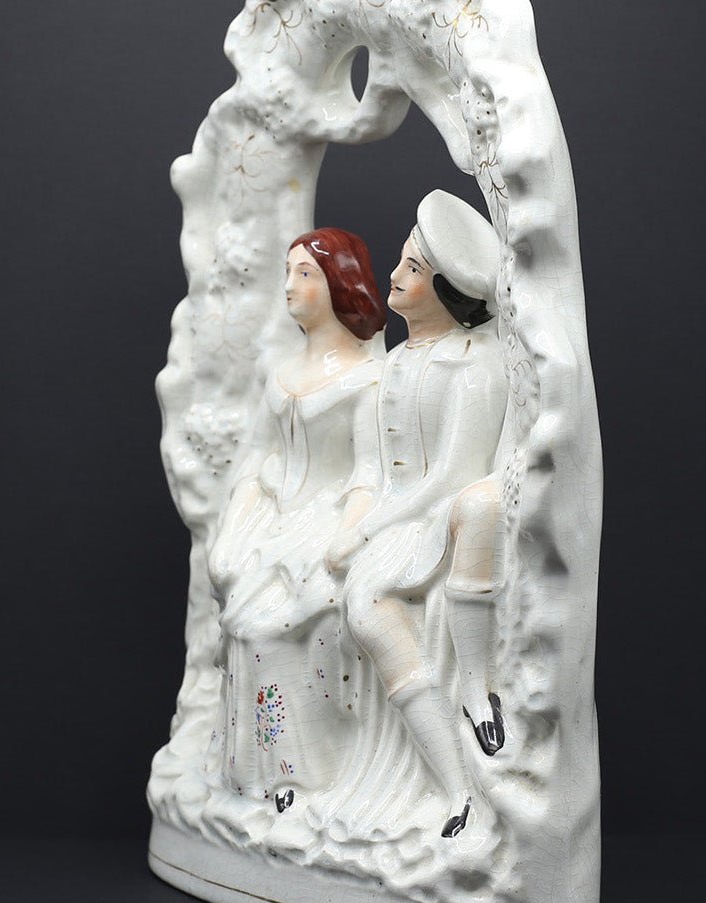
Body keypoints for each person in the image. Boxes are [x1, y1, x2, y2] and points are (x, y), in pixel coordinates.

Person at [328, 190, 509, 839]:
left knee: (369, 595)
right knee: (363, 606)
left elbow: (455, 474)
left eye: (413, 267)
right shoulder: (394, 362)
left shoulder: (476, 363)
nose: (396, 276)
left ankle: (477, 688)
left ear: (447, 289)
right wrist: (356, 522)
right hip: (398, 516)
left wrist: (370, 531)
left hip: (437, 518)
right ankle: (454, 785)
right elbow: (374, 467)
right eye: (402, 262)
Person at [207, 228, 386, 813]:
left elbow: (369, 473)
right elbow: (260, 462)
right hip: (271, 524)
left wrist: (345, 538)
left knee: (274, 630)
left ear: (339, 284)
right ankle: (250, 775)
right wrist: (233, 532)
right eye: (288, 272)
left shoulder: (369, 378)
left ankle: (300, 777)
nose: (289, 285)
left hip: (327, 522)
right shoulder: (280, 373)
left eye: (304, 273)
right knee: (240, 626)